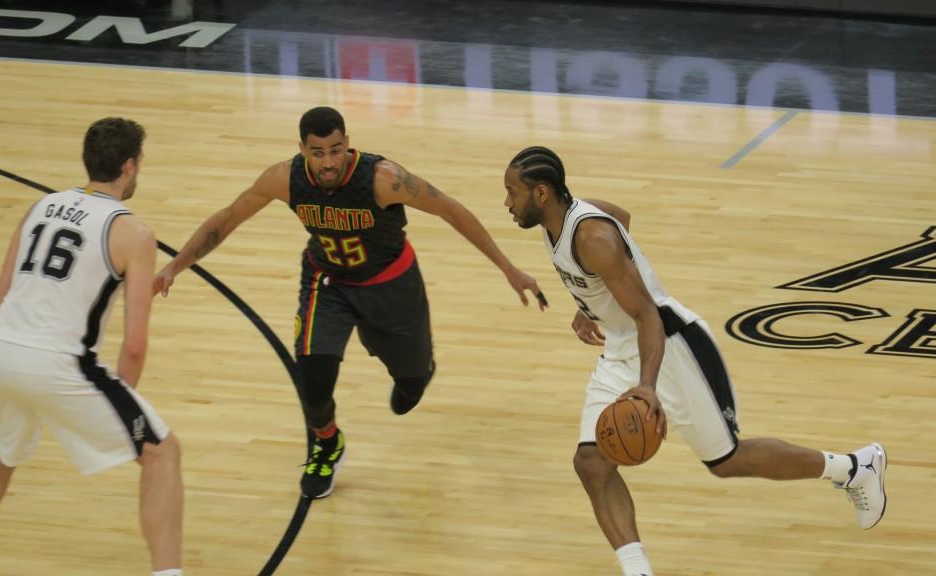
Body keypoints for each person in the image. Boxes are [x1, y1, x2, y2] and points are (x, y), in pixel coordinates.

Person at [502, 146, 886, 576]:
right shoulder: (564, 218)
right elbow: (623, 220)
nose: (506, 203)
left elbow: (646, 311)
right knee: (591, 462)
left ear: (541, 193)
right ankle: (637, 570)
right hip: (622, 346)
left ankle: (854, 468)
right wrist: (592, 303)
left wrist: (646, 386)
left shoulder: (592, 238)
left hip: (669, 344)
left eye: (512, 193)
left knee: (727, 462)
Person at [153, 106, 545, 499]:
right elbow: (227, 219)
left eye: (336, 150)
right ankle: (327, 443)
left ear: (348, 143)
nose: (329, 162)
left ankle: (417, 372)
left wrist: (507, 267)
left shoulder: (384, 179)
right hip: (329, 283)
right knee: (313, 381)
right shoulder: (284, 179)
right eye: (318, 152)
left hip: (392, 286)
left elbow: (450, 210)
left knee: (409, 383)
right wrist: (175, 266)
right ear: (302, 149)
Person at [0, 118, 184, 576]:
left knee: (7, 449)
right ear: (128, 165)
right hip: (58, 363)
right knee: (161, 451)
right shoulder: (134, 232)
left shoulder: (42, 206)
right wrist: (126, 407)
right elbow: (135, 345)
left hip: (0, 347)